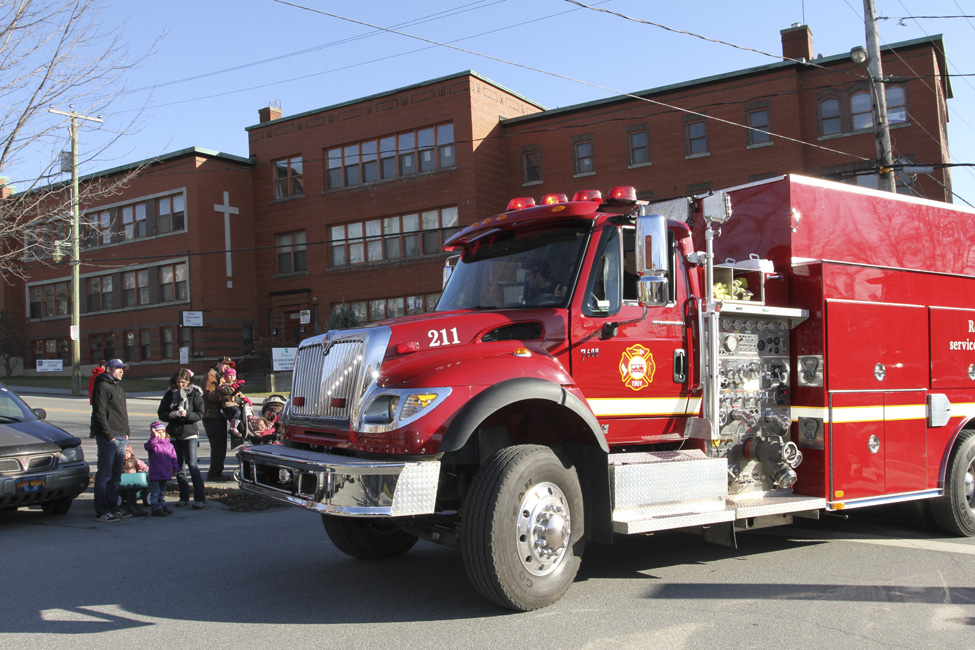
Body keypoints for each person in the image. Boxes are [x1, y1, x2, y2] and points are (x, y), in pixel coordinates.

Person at [158, 368, 206, 509]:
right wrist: (170, 415)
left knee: (193, 466)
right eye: (178, 382)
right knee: (178, 467)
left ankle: (200, 498)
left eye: (183, 382)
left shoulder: (194, 394)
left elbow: (200, 414)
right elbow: (161, 413)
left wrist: (187, 414)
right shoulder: (169, 394)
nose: (180, 385)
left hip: (189, 433)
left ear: (189, 382)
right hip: (174, 434)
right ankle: (184, 496)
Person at [91, 358, 132, 523]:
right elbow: (99, 413)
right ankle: (102, 511)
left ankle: (114, 507)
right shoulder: (102, 386)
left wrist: (126, 431)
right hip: (109, 438)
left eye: (123, 369)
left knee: (116, 476)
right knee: (105, 475)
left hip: (121, 435)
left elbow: (123, 412)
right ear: (108, 369)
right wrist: (109, 435)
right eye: (118, 368)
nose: (121, 371)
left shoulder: (118, 388)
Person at [201, 356, 236, 481]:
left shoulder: (221, 377)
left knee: (221, 446)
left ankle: (217, 472)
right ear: (218, 364)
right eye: (225, 364)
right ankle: (214, 474)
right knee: (217, 446)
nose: (227, 367)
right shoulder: (211, 376)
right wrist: (229, 396)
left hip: (218, 416)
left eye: (229, 365)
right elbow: (211, 395)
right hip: (211, 416)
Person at [144, 421, 179, 517]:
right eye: (157, 432)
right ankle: (156, 508)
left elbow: (174, 458)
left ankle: (162, 505)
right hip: (155, 473)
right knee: (155, 491)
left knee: (162, 491)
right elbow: (149, 446)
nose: (160, 434)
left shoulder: (170, 445)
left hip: (166, 472)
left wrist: (175, 468)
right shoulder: (153, 445)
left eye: (162, 432)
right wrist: (154, 437)